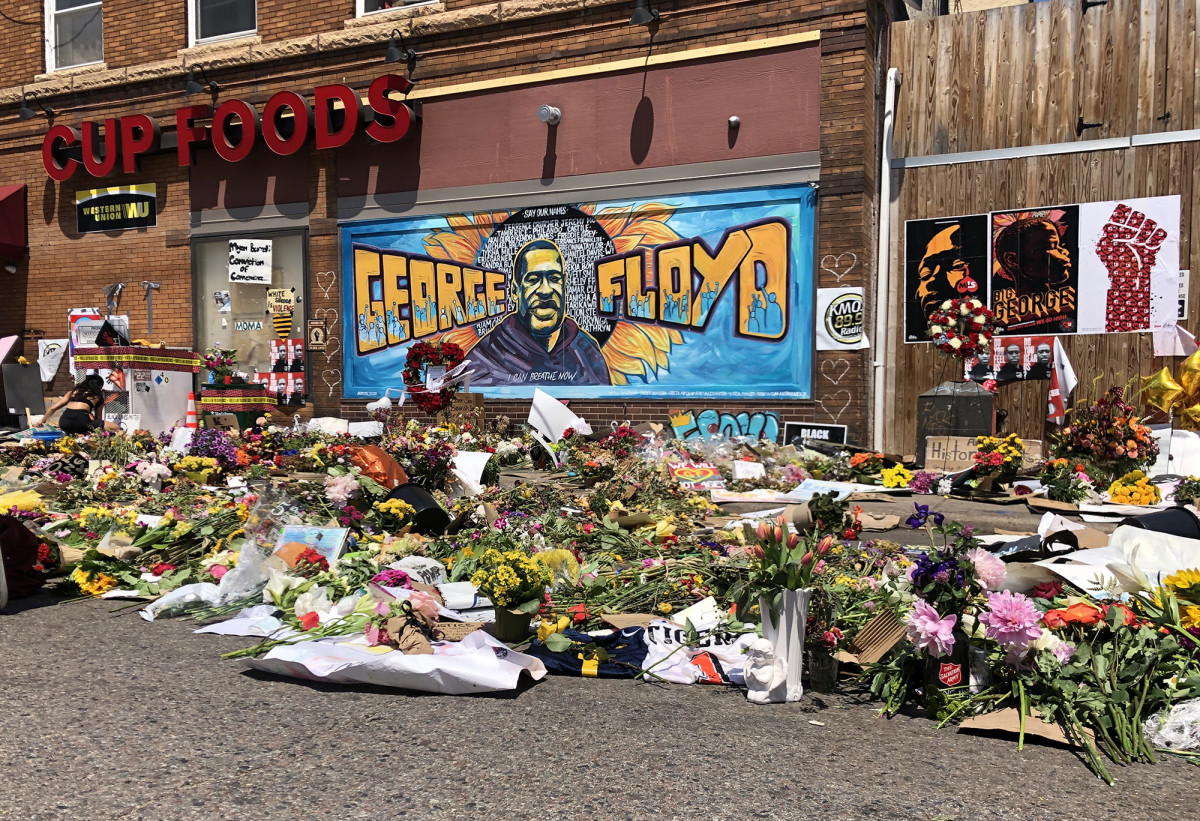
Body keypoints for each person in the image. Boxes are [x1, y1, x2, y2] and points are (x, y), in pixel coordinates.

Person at [469, 239, 611, 386]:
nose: (545, 291)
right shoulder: (484, 359)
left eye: (554, 279)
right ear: (514, 291)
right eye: (533, 279)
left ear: (564, 285)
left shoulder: (587, 352)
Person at [40, 374, 122, 433]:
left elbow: (53, 408)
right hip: (81, 422)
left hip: (64, 422)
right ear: (99, 387)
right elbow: (98, 418)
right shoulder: (97, 397)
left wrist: (41, 421)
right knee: (116, 427)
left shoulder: (71, 392)